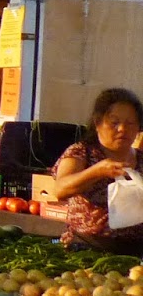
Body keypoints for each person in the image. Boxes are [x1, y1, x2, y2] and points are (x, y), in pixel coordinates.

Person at [53, 88, 143, 255]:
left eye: (130, 123)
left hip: (135, 252)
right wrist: (97, 171)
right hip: (87, 248)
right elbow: (60, 189)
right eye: (114, 122)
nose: (122, 128)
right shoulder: (81, 152)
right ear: (97, 123)